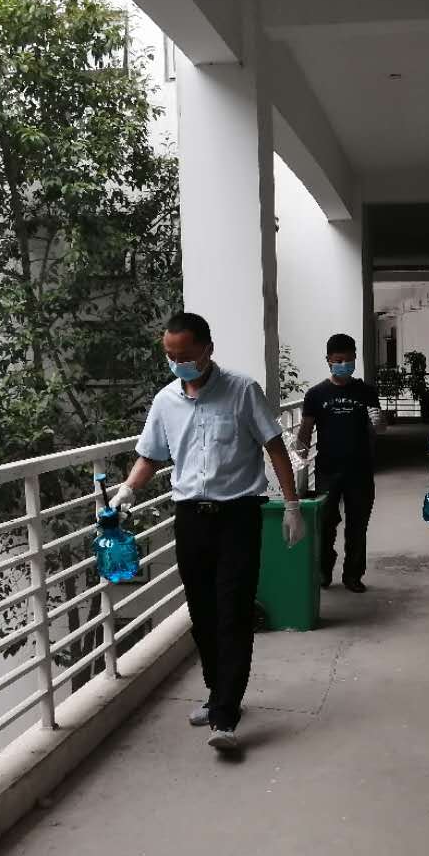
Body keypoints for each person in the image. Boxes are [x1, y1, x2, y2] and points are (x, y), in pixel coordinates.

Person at [114, 312, 304, 753]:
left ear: (207, 349)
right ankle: (217, 693)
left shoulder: (242, 390)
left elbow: (275, 447)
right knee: (202, 614)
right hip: (190, 518)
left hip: (238, 515)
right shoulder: (165, 401)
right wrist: (127, 490)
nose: (177, 363)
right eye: (170, 355)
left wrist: (292, 505)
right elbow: (151, 455)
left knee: (233, 610)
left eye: (184, 355)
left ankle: (226, 716)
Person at [296, 334, 384, 593]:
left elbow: (378, 427)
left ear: (355, 358)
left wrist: (380, 424)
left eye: (348, 359)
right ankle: (324, 571)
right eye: (338, 360)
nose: (344, 364)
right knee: (325, 523)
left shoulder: (366, 392)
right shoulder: (316, 394)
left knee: (358, 525)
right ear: (328, 360)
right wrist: (298, 462)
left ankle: (353, 575)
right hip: (327, 470)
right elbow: (305, 431)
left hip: (360, 470)